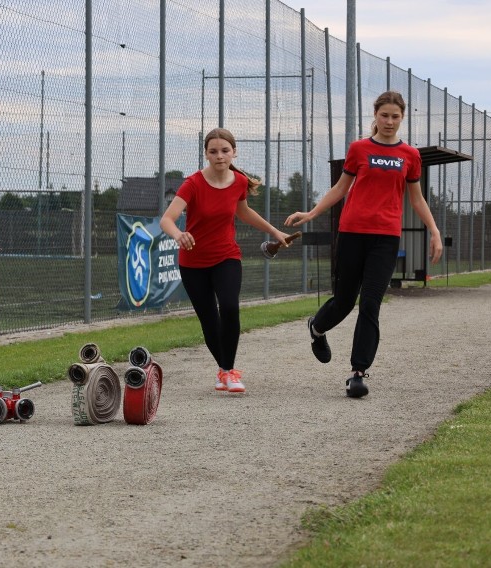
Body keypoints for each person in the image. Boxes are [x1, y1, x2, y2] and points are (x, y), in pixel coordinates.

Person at [284, 90, 443, 398]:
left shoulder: (410, 155)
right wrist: (313, 212)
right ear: (375, 115)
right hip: (353, 233)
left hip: (385, 238)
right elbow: (340, 189)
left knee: (370, 304)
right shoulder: (359, 148)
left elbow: (416, 197)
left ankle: (358, 373)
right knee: (345, 301)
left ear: (402, 118)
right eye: (384, 115)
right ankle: (317, 328)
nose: (389, 121)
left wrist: (434, 229)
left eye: (395, 116)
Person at [160, 128, 292, 394]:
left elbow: (244, 212)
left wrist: (275, 232)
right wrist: (178, 235)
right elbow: (167, 220)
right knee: (210, 321)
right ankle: (224, 370)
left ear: (234, 152)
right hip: (193, 262)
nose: (219, 156)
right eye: (213, 151)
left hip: (226, 256)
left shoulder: (240, 182)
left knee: (230, 307)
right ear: (206, 154)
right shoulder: (193, 183)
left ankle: (230, 372)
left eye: (225, 150)